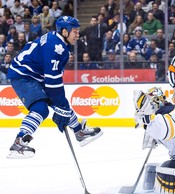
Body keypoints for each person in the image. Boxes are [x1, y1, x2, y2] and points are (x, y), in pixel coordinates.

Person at [7, 16, 103, 159]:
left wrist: (62, 107)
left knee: (61, 104)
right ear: (65, 32)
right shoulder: (56, 48)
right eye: (75, 31)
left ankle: (79, 132)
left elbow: (54, 82)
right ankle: (18, 143)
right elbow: (53, 82)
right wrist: (62, 107)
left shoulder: (59, 41)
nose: (78, 35)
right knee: (41, 109)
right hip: (23, 75)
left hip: (35, 74)